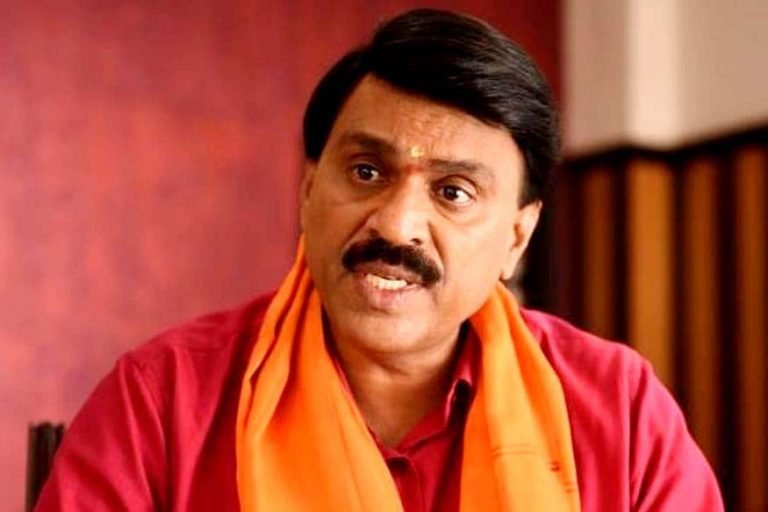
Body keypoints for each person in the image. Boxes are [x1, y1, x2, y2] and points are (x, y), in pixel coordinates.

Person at [36, 8, 723, 512]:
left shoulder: (617, 411)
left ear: (517, 236)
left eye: (453, 192)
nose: (395, 223)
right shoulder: (163, 402)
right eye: (366, 172)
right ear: (309, 189)